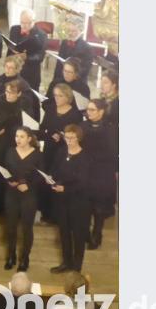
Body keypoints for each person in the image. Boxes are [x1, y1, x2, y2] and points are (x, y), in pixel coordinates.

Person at [37, 83, 83, 223]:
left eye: (60, 95)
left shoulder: (75, 114)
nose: (56, 98)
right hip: (49, 149)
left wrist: (63, 137)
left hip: (64, 151)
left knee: (59, 177)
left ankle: (56, 213)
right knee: (47, 177)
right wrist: (49, 135)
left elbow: (77, 135)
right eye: (55, 95)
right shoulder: (51, 109)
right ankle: (45, 211)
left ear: (68, 97)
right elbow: (43, 128)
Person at [49, 125, 91, 273]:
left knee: (78, 235)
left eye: (72, 138)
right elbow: (54, 170)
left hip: (78, 202)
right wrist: (52, 180)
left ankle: (76, 267)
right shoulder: (61, 152)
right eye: (66, 137)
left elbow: (84, 182)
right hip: (62, 201)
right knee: (64, 233)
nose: (68, 141)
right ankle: (66, 262)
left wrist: (65, 188)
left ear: (78, 138)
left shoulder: (85, 156)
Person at [3, 128, 44, 272]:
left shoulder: (38, 154)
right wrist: (9, 181)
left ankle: (25, 258)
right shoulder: (10, 151)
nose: (18, 139)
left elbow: (41, 176)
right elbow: (5, 171)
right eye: (16, 136)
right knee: (11, 227)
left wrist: (28, 185)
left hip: (29, 194)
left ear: (29, 139)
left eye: (21, 136)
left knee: (27, 228)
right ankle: (11, 256)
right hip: (12, 193)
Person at [0, 80, 30, 214]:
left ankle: (12, 211)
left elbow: (29, 126)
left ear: (19, 93)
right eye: (7, 92)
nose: (8, 95)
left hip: (15, 148)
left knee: (13, 176)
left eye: (12, 93)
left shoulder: (25, 105)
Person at [81, 99, 118, 250]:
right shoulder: (82, 126)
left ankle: (97, 234)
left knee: (99, 206)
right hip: (86, 170)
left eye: (92, 110)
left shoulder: (110, 129)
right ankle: (85, 233)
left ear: (101, 112)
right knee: (86, 204)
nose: (88, 112)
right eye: (87, 109)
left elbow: (113, 152)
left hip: (103, 172)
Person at [6, 8, 47, 90]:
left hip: (30, 73)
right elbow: (10, 48)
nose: (24, 25)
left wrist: (26, 57)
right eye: (22, 22)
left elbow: (40, 56)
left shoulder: (41, 35)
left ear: (34, 21)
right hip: (14, 71)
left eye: (28, 23)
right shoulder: (14, 29)